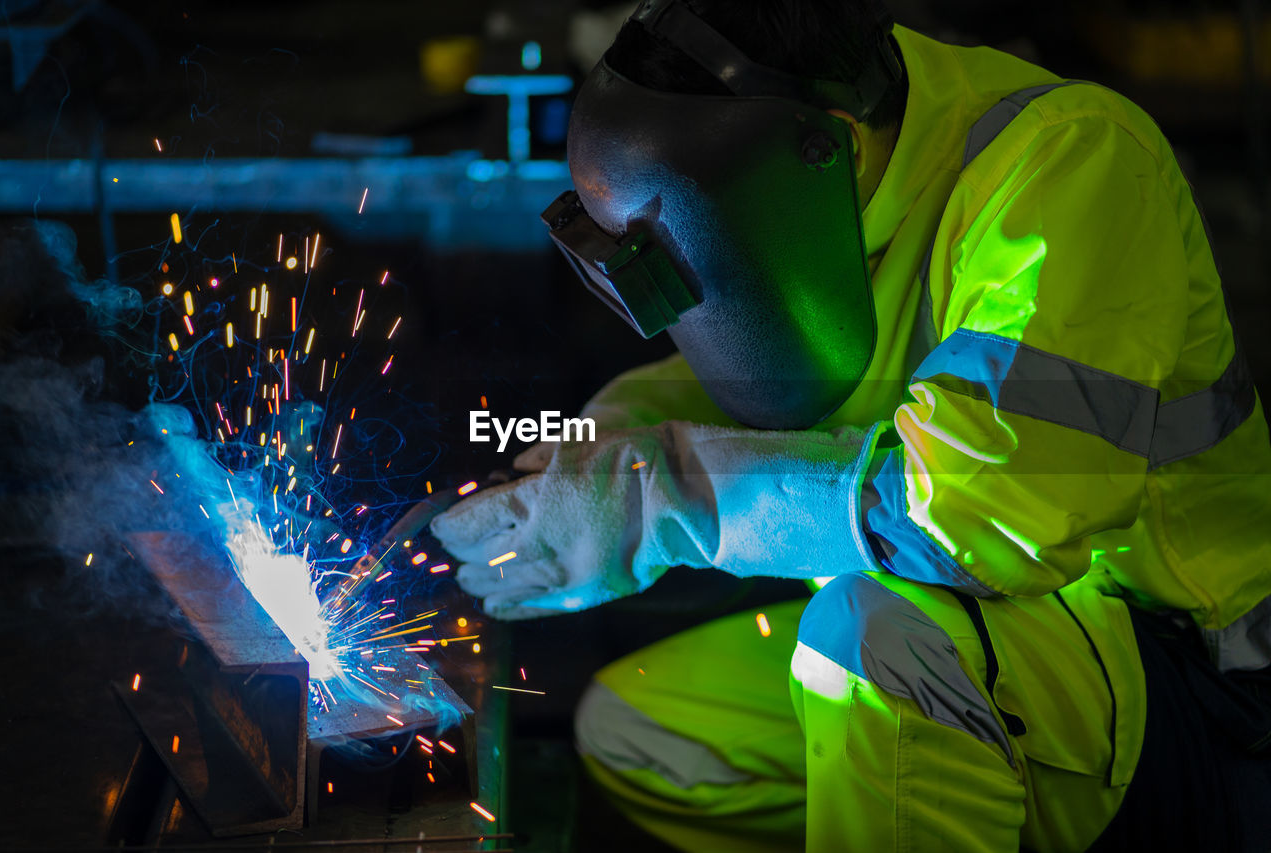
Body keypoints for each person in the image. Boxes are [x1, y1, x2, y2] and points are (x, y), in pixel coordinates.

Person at [429, 0, 1271, 849]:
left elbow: (987, 515)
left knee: (872, 642)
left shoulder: (1073, 163)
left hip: (1198, 690)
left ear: (829, 142)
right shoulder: (837, 186)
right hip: (1010, 648)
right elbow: (766, 371)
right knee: (646, 736)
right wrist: (595, 443)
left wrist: (663, 499)